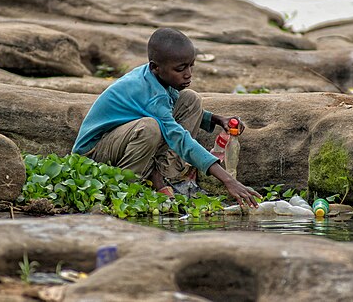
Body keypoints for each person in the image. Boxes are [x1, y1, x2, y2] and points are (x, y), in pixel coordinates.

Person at [72, 28, 259, 208]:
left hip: (121, 139)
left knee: (191, 99)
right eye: (180, 69)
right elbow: (179, 138)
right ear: (155, 67)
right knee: (149, 128)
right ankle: (126, 185)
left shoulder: (156, 77)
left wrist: (217, 120)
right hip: (93, 154)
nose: (188, 74)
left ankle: (165, 174)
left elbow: (170, 109)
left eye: (190, 66)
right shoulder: (148, 93)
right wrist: (228, 180)